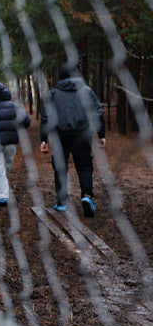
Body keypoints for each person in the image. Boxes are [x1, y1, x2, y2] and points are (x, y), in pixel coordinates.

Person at [40, 62, 106, 217]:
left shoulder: (53, 94)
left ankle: (62, 201)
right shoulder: (87, 91)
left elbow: (46, 117)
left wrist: (43, 140)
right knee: (84, 166)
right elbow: (98, 112)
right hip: (82, 134)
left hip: (60, 135)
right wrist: (101, 134)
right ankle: (86, 195)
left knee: (60, 167)